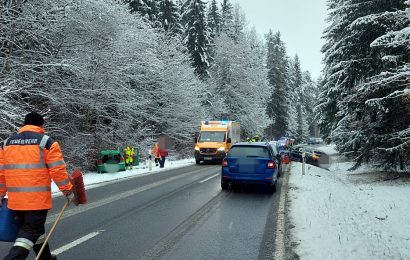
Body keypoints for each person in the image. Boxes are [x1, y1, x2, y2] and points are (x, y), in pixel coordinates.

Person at [0, 112, 76, 260]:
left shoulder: (6, 144)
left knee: (35, 229)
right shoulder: (46, 142)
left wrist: (0, 194)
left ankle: (45, 257)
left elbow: (1, 173)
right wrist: (68, 191)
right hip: (37, 201)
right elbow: (58, 170)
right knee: (30, 232)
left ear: (24, 124)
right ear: (41, 126)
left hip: (15, 201)